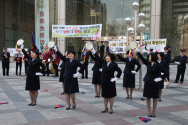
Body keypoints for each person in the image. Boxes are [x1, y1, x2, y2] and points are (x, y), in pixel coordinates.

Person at [136, 48, 167, 117]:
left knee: (155, 98)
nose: (148, 57)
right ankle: (149, 111)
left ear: (153, 57)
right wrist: (137, 52)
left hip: (155, 83)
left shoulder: (158, 65)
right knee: (148, 97)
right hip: (147, 82)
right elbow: (142, 58)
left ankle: (153, 111)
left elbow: (166, 72)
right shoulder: (148, 63)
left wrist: (160, 78)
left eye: (149, 56)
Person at [91, 48, 122, 114]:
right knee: (105, 96)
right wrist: (93, 50)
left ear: (111, 58)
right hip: (104, 81)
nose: (106, 57)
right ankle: (105, 108)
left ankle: (111, 108)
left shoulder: (114, 64)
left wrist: (116, 78)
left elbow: (120, 71)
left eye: (108, 56)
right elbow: (97, 57)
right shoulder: (104, 62)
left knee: (111, 96)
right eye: (106, 56)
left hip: (110, 82)